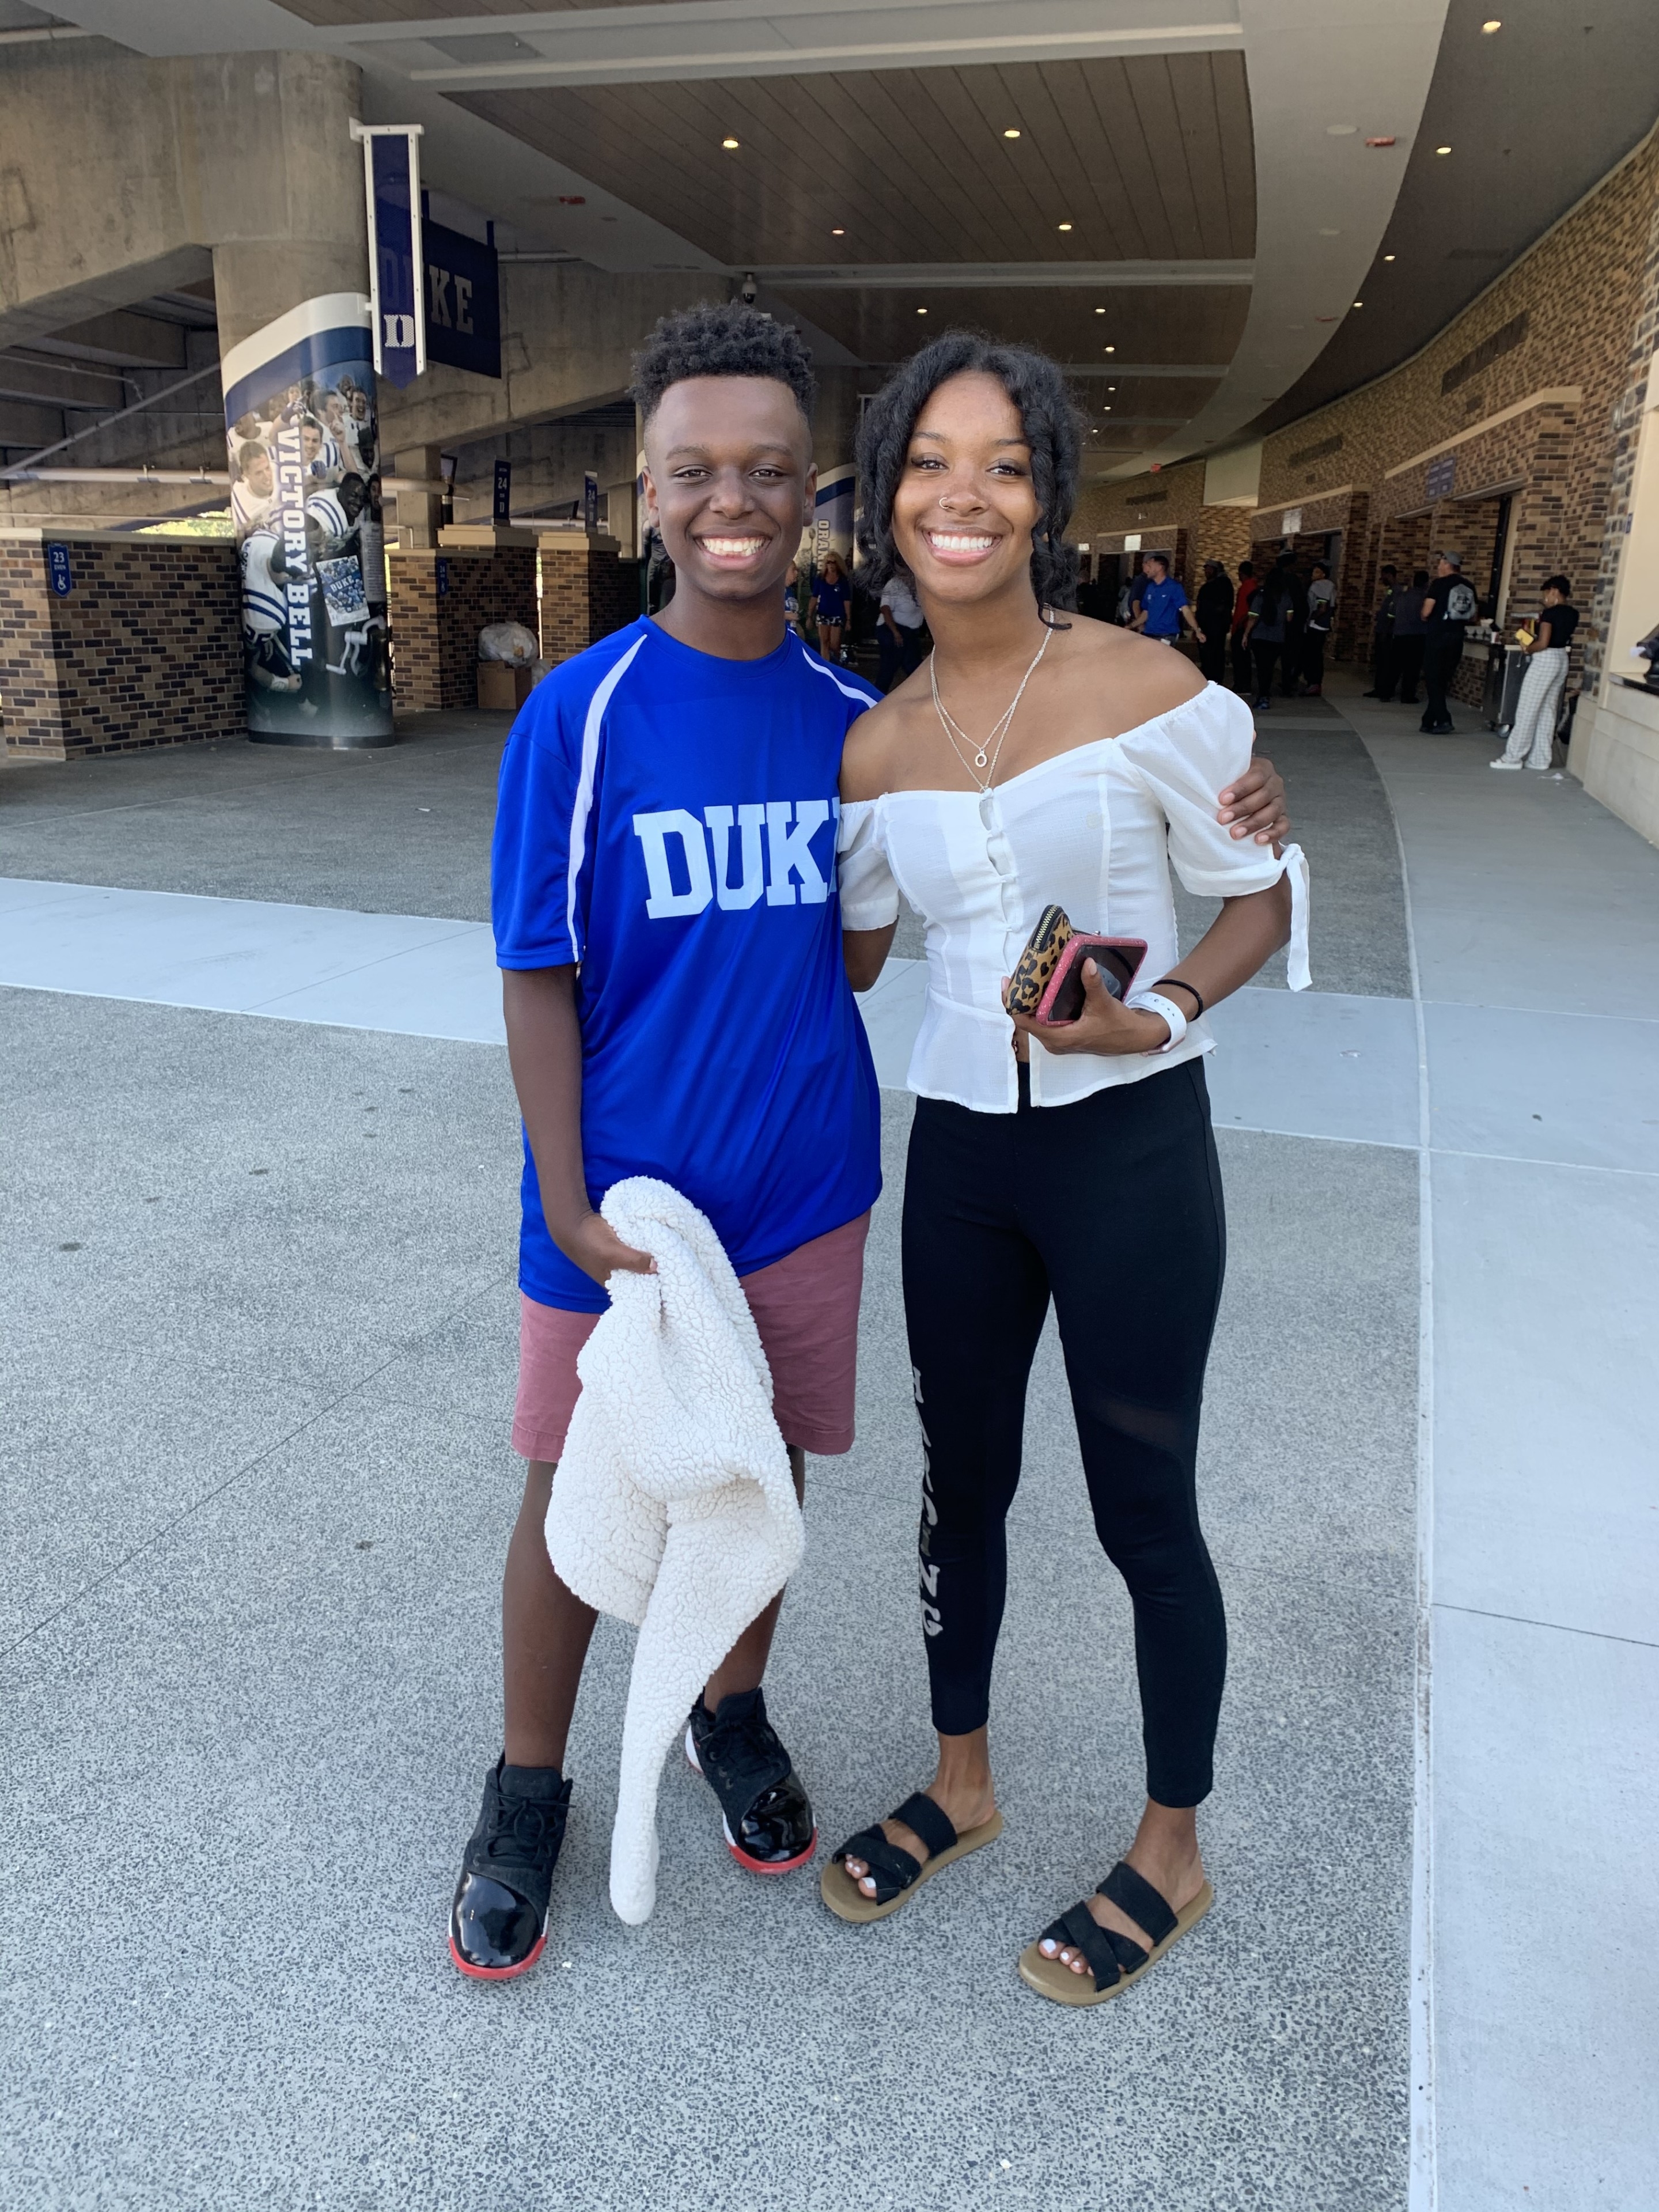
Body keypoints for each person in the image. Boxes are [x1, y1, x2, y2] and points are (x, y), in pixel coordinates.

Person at [447, 305, 1291, 1984]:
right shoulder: (717, 721)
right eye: (930, 463)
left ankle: (1100, 1825)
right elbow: (659, 954)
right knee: (681, 1486)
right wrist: (568, 1176)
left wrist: (1169, 971)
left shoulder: (983, 706)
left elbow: (1194, 897)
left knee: (988, 1490)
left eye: (1002, 464)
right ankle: (580, 1784)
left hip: (941, 1174)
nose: (733, 498)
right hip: (770, 1181)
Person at [830, 333, 1308, 2007]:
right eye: (928, 462)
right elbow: (857, 949)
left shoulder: (1150, 689)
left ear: (1046, 498)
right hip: (962, 1151)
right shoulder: (872, 744)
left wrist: (1154, 1010)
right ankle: (960, 1780)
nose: (962, 494)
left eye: (1004, 463)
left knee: (1142, 1507)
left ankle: (1171, 1845)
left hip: (1130, 1147)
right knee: (960, 1481)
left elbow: (1260, 895)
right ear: (886, 495)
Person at [1492, 574, 1577, 771]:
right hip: (1562, 658)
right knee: (1548, 710)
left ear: (1554, 591)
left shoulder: (1549, 614)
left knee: (1528, 709)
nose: (1544, 599)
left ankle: (1513, 757)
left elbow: (1543, 643)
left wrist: (1527, 648)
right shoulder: (1573, 614)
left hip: (1545, 659)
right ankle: (1541, 759)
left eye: (1546, 594)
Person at [1419, 552, 1478, 733]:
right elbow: (1473, 615)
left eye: (1441, 563)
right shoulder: (1469, 586)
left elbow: (1427, 612)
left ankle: (1444, 720)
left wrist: (1424, 616)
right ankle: (1428, 720)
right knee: (1442, 679)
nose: (1439, 566)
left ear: (1447, 564)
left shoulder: (1438, 584)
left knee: (1432, 678)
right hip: (1457, 638)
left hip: (1437, 637)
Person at [1243, 555, 1295, 707]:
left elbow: (1253, 618)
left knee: (1261, 668)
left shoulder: (1260, 596)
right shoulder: (1286, 597)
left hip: (1260, 637)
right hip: (1277, 638)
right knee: (1270, 667)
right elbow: (1289, 618)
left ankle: (1263, 696)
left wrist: (1246, 635)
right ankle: (1265, 695)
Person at [1131, 551, 1201, 648]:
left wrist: (1197, 630)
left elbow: (1185, 610)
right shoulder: (1150, 587)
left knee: (1159, 657)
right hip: (1149, 633)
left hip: (1167, 635)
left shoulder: (1174, 587)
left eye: (1149, 565)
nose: (1146, 568)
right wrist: (1131, 626)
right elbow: (1146, 613)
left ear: (1160, 567)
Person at [877, 566, 927, 692]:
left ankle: (918, 695)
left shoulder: (920, 585)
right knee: (889, 667)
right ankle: (877, 696)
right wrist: (895, 633)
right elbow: (885, 609)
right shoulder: (894, 584)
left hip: (911, 631)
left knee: (914, 666)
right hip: (893, 628)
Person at [1387, 569, 1430, 703]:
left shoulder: (1402, 596)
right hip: (1417, 635)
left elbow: (1392, 613)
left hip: (1399, 634)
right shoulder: (1425, 598)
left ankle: (1387, 692)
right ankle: (1407, 695)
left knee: (1395, 666)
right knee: (1412, 668)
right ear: (1426, 583)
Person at [1362, 565, 1399, 698]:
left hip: (1386, 632)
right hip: (1383, 629)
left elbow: (1392, 614)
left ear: (1389, 575)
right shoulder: (1391, 591)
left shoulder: (1396, 591)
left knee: (1385, 662)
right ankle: (1379, 688)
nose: (1381, 578)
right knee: (1381, 661)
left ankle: (1383, 690)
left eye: (1383, 575)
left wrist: (1387, 630)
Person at [1195, 559, 1233, 684]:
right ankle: (1211, 678)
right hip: (1209, 626)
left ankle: (1213, 679)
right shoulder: (1213, 585)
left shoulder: (1221, 584)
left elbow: (1224, 606)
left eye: (1210, 569)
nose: (1207, 571)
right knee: (1210, 655)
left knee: (1214, 655)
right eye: (1206, 569)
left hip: (1215, 627)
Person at [1300, 560, 1334, 694]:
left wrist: (1311, 618)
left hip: (1316, 625)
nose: (1314, 574)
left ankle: (1313, 683)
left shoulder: (1320, 585)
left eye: (1317, 572)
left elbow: (1322, 607)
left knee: (1312, 655)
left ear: (1323, 574)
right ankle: (1315, 683)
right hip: (1323, 626)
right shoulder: (1330, 586)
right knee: (1316, 654)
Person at [813, 551, 850, 661]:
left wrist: (848, 619)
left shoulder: (842, 580)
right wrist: (810, 615)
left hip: (837, 615)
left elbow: (847, 601)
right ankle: (825, 665)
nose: (831, 565)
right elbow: (814, 597)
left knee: (834, 644)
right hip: (823, 613)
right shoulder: (821, 579)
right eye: (828, 562)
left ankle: (835, 662)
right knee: (824, 642)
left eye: (833, 562)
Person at [1229, 559, 1256, 692]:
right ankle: (1242, 684)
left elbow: (1251, 608)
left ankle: (1242, 685)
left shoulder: (1248, 587)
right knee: (1242, 658)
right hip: (1241, 625)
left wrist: (1241, 621)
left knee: (1241, 658)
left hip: (1242, 627)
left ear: (1242, 573)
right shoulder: (1251, 586)